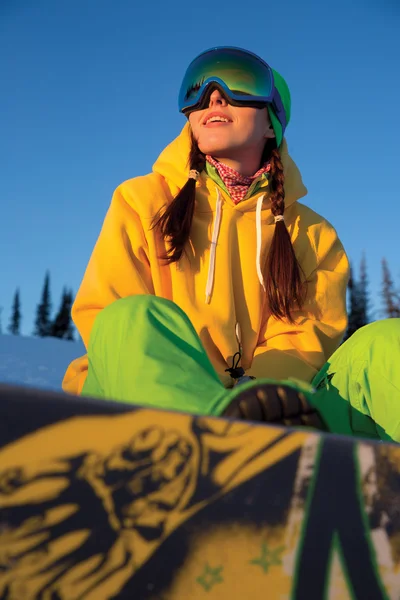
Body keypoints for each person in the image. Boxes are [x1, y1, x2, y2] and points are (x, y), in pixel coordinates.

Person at [63, 47, 400, 442]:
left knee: (387, 344)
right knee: (130, 317)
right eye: (198, 89)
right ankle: (209, 444)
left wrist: (258, 394)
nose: (214, 96)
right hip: (142, 402)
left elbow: (305, 338)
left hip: (277, 413)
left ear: (271, 124)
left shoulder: (311, 233)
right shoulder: (142, 201)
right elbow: (108, 319)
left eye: (240, 83)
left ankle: (350, 480)